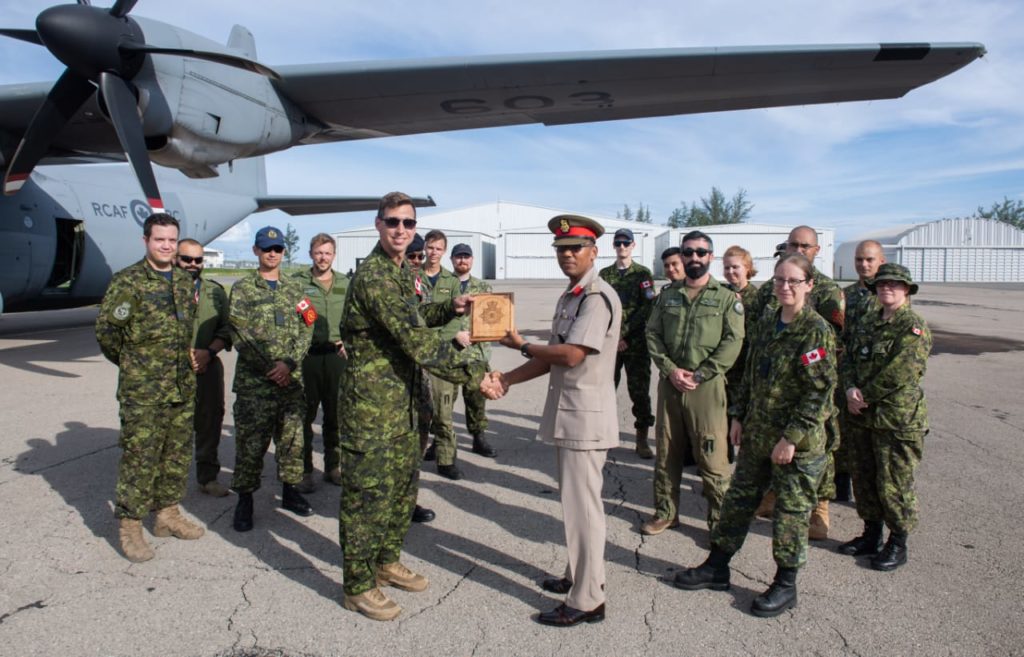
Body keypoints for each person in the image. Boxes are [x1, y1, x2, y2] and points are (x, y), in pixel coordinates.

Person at [338, 192, 485, 621]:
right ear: (378, 224)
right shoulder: (374, 277)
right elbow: (415, 340)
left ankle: (385, 560)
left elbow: (415, 315)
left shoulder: (403, 271)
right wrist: (478, 376)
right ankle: (358, 585)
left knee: (402, 490)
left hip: (403, 403)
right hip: (373, 407)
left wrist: (449, 307)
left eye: (408, 223)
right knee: (368, 497)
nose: (400, 230)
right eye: (392, 222)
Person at [673, 254, 837, 618]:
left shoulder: (815, 330)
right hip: (758, 435)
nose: (785, 287)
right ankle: (717, 565)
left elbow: (819, 393)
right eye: (780, 280)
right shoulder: (766, 320)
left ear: (809, 285)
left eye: (794, 281)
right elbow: (749, 372)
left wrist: (791, 438)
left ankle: (785, 584)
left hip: (796, 446)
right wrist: (738, 415)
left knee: (791, 515)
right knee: (738, 502)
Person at [483, 214, 622, 627]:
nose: (567, 255)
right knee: (577, 506)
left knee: (583, 509)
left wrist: (521, 344)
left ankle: (587, 599)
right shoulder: (572, 296)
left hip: (585, 419)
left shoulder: (596, 297)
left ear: (593, 252)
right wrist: (507, 377)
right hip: (571, 414)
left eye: (575, 248)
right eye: (561, 249)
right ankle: (579, 577)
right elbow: (552, 359)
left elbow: (572, 355)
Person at [95, 212, 204, 563]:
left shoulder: (185, 283)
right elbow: (108, 335)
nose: (167, 246)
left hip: (180, 386)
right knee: (140, 458)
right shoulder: (128, 282)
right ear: (146, 241)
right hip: (143, 391)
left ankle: (167, 515)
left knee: (175, 454)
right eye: (160, 240)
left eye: (172, 240)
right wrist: (135, 366)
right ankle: (129, 524)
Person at [643, 235, 744, 536]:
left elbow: (733, 341)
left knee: (712, 453)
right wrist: (671, 370)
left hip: (707, 388)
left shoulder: (726, 299)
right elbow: (652, 333)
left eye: (701, 252)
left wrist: (701, 374)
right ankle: (666, 513)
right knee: (667, 450)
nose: (694, 257)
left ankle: (719, 522)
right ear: (683, 257)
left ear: (710, 256)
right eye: (689, 252)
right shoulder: (668, 296)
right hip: (671, 386)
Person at [750, 226, 844, 539]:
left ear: (816, 250)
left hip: (812, 380)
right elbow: (758, 328)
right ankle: (773, 494)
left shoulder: (827, 291)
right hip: (775, 384)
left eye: (805, 245)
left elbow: (836, 341)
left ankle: (820, 508)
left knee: (818, 444)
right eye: (793, 244)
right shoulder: (770, 288)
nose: (799, 249)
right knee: (774, 441)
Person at [839, 264, 931, 571]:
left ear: (906, 289)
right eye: (881, 284)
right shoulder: (867, 321)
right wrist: (850, 386)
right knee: (865, 479)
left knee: (894, 482)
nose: (886, 288)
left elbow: (900, 373)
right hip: (862, 417)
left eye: (893, 284)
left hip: (896, 420)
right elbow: (849, 356)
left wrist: (862, 395)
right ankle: (871, 535)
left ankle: (898, 542)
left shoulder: (912, 326)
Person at [228, 226, 314, 533]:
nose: (272, 253)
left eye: (277, 249)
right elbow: (239, 332)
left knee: (291, 441)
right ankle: (245, 500)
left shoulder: (296, 290)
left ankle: (290, 492)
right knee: (251, 444)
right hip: (256, 385)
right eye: (266, 248)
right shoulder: (242, 289)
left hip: (290, 383)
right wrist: (271, 367)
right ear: (256, 251)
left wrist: (288, 364)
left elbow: (308, 328)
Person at [429, 243, 496, 480]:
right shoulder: (442, 283)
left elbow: (492, 317)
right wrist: (454, 335)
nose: (462, 261)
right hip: (449, 354)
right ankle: (439, 444)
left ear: (472, 259)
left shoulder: (482, 286)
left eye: (466, 257)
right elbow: (432, 316)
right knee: (442, 404)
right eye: (458, 257)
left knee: (476, 399)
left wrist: (485, 334)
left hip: (475, 354)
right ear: (452, 259)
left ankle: (478, 436)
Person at [292, 233, 348, 493]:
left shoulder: (345, 283)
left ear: (334, 255)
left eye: (327, 253)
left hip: (337, 357)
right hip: (308, 357)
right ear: (311, 254)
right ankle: (304, 471)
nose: (323, 257)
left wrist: (349, 341)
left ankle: (333, 466)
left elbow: (353, 317)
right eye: (318, 252)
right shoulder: (297, 284)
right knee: (305, 415)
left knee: (335, 414)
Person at [176, 239, 232, 497]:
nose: (192, 265)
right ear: (176, 258)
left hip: (208, 365)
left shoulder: (215, 292)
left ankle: (207, 477)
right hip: (174, 367)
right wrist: (181, 353)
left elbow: (227, 329)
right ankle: (168, 485)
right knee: (173, 425)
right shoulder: (163, 290)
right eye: (186, 259)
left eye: (198, 260)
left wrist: (208, 352)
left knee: (210, 421)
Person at [598, 228, 656, 458]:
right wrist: (615, 336)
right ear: (614, 246)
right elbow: (599, 307)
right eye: (618, 243)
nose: (622, 247)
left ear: (633, 246)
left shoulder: (643, 274)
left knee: (639, 391)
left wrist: (625, 335)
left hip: (636, 344)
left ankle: (641, 439)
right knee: (604, 389)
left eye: (626, 243)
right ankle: (604, 434)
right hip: (610, 342)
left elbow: (647, 307)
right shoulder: (604, 274)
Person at [835, 240, 886, 502]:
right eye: (859, 260)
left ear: (881, 261)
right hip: (848, 374)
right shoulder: (846, 294)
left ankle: (875, 497)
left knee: (874, 443)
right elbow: (838, 332)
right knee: (843, 434)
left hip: (877, 379)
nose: (863, 265)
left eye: (869, 260)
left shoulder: (890, 294)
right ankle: (842, 486)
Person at [404, 233, 437, 524]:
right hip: (393, 377)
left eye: (419, 257)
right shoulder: (386, 283)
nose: (416, 262)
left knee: (420, 436)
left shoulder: (421, 282)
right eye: (411, 256)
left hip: (421, 373)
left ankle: (408, 500)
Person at [721, 245, 759, 463]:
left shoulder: (757, 297)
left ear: (747, 268)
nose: (731, 272)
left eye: (735, 267)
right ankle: (723, 461)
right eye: (727, 267)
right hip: (726, 367)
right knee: (722, 417)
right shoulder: (722, 294)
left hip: (746, 368)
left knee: (745, 418)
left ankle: (746, 465)